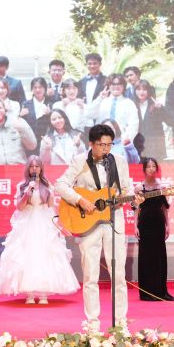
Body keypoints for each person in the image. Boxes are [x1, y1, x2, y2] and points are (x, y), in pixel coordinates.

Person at [55, 124, 144, 331]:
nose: (106, 149)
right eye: (101, 145)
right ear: (91, 144)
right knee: (90, 275)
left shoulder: (119, 161)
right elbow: (60, 184)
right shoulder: (79, 161)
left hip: (114, 220)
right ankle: (92, 324)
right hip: (88, 221)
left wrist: (133, 199)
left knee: (119, 274)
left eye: (109, 145)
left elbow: (126, 189)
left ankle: (120, 323)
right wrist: (80, 200)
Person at [0, 156, 79, 304]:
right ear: (28, 168)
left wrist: (60, 227)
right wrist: (27, 192)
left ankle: (44, 293)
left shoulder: (47, 186)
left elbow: (52, 208)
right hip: (27, 222)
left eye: (37, 166)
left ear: (41, 168)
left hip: (44, 222)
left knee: (44, 254)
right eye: (31, 166)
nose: (34, 169)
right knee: (27, 255)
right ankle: (30, 294)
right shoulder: (22, 186)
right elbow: (20, 207)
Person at [134, 157, 174, 302]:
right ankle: (146, 293)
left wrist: (168, 225)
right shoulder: (139, 188)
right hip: (144, 225)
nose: (151, 169)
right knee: (146, 258)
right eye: (148, 166)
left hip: (158, 224)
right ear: (144, 169)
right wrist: (135, 226)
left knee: (160, 257)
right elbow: (136, 209)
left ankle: (162, 292)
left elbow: (164, 207)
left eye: (154, 166)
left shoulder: (162, 187)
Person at [85, 73, 139, 143]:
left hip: (121, 141)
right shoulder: (101, 101)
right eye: (113, 84)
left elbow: (133, 125)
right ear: (108, 86)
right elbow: (88, 114)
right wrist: (100, 98)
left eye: (119, 84)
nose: (116, 86)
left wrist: (125, 140)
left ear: (123, 86)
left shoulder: (129, 103)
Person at [133, 79, 167, 160]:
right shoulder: (131, 105)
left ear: (149, 91)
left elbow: (168, 120)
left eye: (144, 89)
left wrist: (161, 109)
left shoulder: (155, 105)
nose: (141, 92)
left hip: (154, 145)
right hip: (137, 144)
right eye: (139, 89)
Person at [20, 77, 52, 150]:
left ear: (45, 88)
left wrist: (50, 114)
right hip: (29, 142)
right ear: (32, 89)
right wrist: (20, 115)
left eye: (40, 87)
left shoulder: (50, 104)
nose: (38, 90)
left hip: (45, 142)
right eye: (35, 87)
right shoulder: (25, 104)